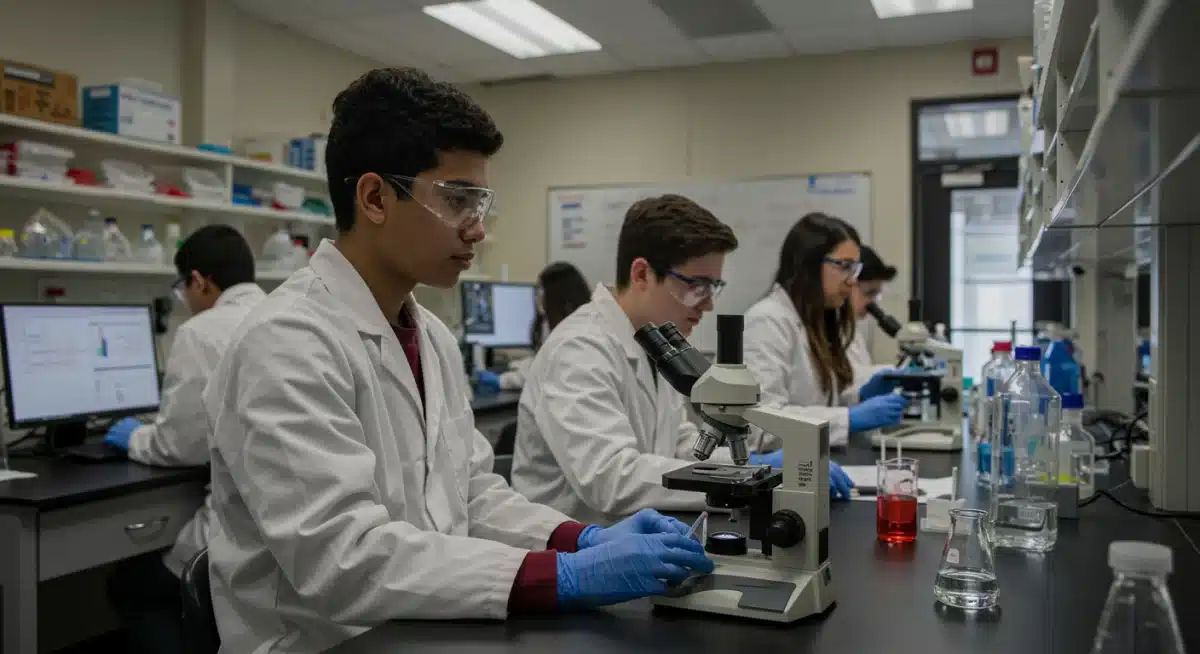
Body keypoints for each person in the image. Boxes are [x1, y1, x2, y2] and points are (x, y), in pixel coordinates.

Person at [201, 68, 712, 654]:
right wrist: (563, 577)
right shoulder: (287, 341)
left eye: (481, 202)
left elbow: (471, 496)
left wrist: (579, 539)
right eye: (456, 199)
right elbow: (343, 561)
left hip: (427, 627)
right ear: (374, 198)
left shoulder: (432, 336)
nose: (477, 229)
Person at [514, 194, 848, 525]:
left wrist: (757, 469)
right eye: (696, 285)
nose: (708, 304)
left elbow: (682, 445)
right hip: (577, 556)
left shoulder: (655, 340)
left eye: (712, 286)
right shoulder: (579, 349)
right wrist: (744, 482)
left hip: (643, 536)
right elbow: (611, 478)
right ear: (642, 274)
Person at [103, 224, 266, 654]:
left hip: (237, 534)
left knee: (131, 588)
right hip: (285, 534)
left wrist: (134, 437)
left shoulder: (202, 331)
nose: (187, 299)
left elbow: (181, 445)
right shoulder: (283, 315)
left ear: (199, 280)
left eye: (184, 288)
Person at [743, 213, 908, 496]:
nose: (851, 282)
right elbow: (763, 424)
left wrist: (859, 396)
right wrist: (850, 417)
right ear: (808, 264)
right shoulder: (766, 321)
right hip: (781, 484)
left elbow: (816, 399)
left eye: (854, 270)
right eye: (844, 267)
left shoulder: (817, 319)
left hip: (818, 472)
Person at [496, 261, 591, 392]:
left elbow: (543, 373)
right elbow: (542, 361)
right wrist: (520, 366)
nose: (538, 297)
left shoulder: (574, 334)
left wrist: (501, 381)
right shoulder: (554, 323)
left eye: (542, 291)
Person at [847, 245, 898, 386]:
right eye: (869, 293)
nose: (873, 303)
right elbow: (847, 382)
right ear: (846, 284)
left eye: (876, 295)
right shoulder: (825, 331)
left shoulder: (851, 330)